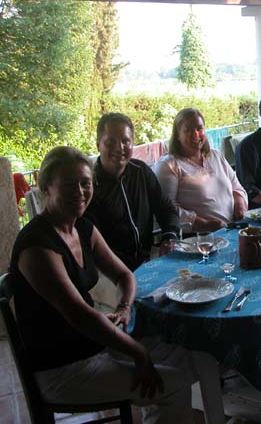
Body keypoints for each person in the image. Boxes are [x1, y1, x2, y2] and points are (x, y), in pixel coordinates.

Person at [10, 146, 203, 423]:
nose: (79, 192)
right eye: (68, 184)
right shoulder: (37, 245)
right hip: (63, 368)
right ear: (46, 187)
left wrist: (124, 307)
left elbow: (124, 275)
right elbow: (79, 316)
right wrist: (137, 352)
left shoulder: (82, 228)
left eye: (85, 183)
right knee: (171, 383)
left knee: (188, 352)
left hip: (93, 345)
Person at [85, 113, 180, 271]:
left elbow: (166, 208)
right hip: (110, 271)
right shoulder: (89, 186)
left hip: (149, 262)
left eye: (125, 141)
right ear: (98, 145)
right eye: (111, 142)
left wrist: (169, 237)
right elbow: (93, 242)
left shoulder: (140, 171)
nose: (119, 148)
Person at [152, 108, 248, 232]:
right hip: (198, 238)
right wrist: (204, 224)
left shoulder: (216, 156)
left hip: (232, 230)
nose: (195, 134)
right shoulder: (169, 165)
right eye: (188, 130)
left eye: (199, 128)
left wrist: (240, 205)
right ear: (177, 135)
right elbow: (165, 210)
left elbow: (237, 188)